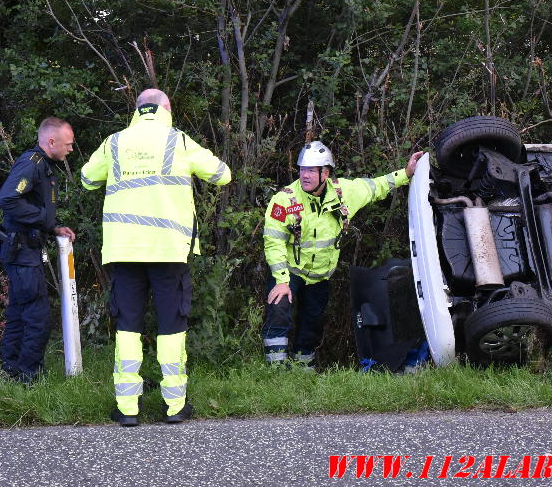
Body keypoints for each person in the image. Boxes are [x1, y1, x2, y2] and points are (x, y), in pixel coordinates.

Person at [81, 88, 231, 426]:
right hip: (169, 249)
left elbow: (88, 178)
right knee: (171, 327)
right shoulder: (178, 141)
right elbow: (223, 174)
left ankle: (128, 410)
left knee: (128, 327)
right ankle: (174, 407)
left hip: (125, 249)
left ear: (137, 110)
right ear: (167, 108)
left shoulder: (114, 142)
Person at [262, 141, 424, 368]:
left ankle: (302, 370)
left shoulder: (344, 192)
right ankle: (275, 371)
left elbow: (376, 186)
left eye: (310, 170)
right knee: (279, 309)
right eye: (301, 169)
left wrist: (406, 173)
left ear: (325, 173)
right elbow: (273, 242)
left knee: (312, 323)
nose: (304, 176)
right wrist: (281, 281)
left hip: (320, 275)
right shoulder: (285, 200)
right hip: (289, 271)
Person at [0, 117, 77, 384]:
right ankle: (29, 376)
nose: (71, 149)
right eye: (68, 144)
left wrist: (53, 229)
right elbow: (7, 199)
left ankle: (12, 372)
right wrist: (44, 221)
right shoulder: (32, 164)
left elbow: (30, 207)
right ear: (51, 141)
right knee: (37, 316)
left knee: (19, 313)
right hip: (22, 251)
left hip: (26, 248)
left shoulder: (45, 166)